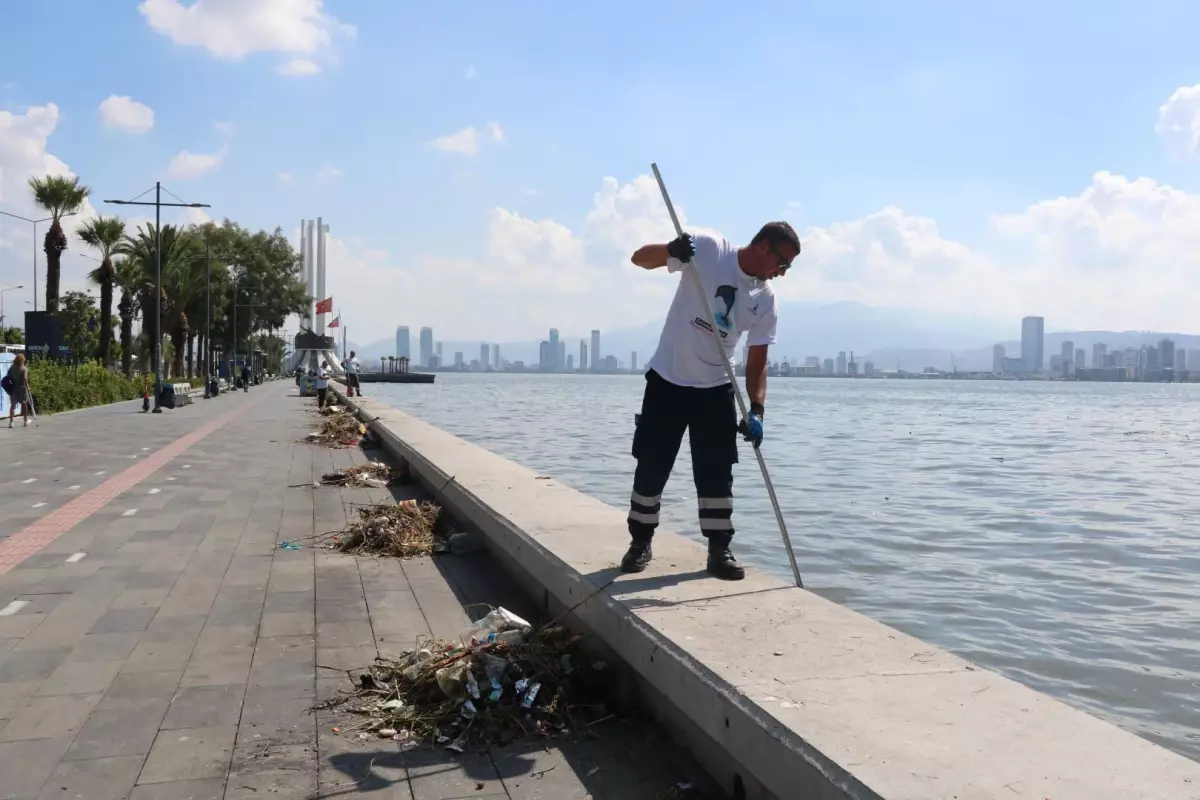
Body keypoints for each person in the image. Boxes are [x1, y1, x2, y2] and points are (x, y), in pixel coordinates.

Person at [621, 222, 800, 581]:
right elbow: (640, 259)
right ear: (764, 247)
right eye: (783, 263)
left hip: (717, 388)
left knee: (717, 474)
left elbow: (757, 361)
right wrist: (672, 250)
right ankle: (640, 542)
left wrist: (757, 408)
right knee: (652, 466)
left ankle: (719, 549)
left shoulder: (765, 299)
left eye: (787, 268)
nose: (781, 273)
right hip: (667, 380)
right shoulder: (709, 250)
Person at [4, 353, 31, 428]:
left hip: (14, 388)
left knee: (12, 405)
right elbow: (25, 378)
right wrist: (28, 387)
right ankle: (25, 421)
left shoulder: (12, 368)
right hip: (22, 388)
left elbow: (8, 375)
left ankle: (11, 422)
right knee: (24, 404)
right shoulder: (24, 369)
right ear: (22, 360)